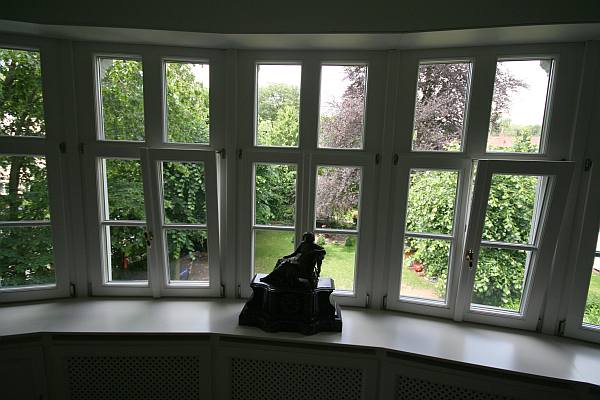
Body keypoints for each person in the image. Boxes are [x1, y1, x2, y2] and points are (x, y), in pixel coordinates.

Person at [260, 232, 326, 289]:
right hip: (297, 261)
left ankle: (269, 277)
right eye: (305, 237)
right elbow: (295, 253)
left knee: (285, 264)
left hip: (303, 266)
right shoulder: (302, 244)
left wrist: (313, 252)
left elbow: (323, 251)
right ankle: (276, 278)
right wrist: (287, 256)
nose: (305, 239)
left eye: (307, 237)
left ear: (311, 238)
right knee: (281, 261)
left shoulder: (314, 246)